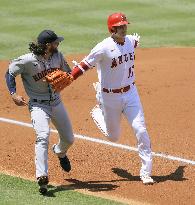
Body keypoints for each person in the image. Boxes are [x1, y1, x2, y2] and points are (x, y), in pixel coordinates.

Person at [70, 13, 154, 185]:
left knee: (141, 129)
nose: (124, 29)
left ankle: (146, 172)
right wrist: (70, 77)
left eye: (125, 26)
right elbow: (85, 64)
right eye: (120, 26)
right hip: (110, 96)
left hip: (131, 94)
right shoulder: (103, 47)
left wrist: (136, 40)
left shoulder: (130, 41)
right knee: (113, 137)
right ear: (112, 29)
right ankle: (98, 112)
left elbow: (134, 42)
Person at [5, 30, 75, 194]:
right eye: (56, 42)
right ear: (48, 45)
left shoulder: (58, 56)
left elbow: (69, 72)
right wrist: (13, 93)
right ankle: (42, 176)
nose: (58, 44)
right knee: (42, 136)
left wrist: (65, 77)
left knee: (69, 139)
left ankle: (60, 152)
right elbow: (9, 73)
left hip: (57, 103)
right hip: (38, 106)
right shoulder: (28, 60)